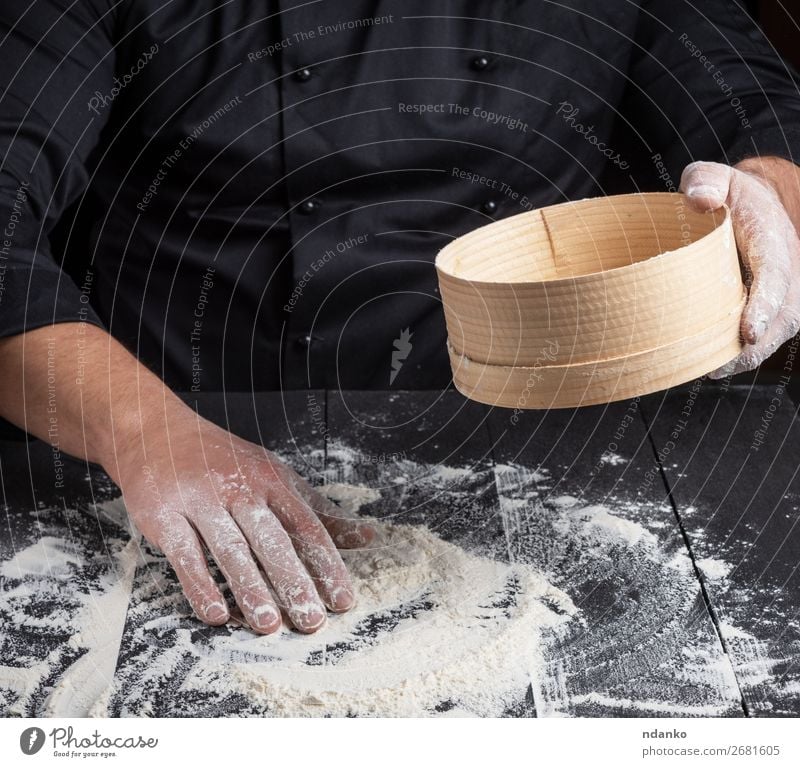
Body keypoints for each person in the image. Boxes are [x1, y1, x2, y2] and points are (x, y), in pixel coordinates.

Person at [1, 1, 798, 634]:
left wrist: (772, 202)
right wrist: (144, 431)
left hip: (556, 449)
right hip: (178, 427)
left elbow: (752, 106)